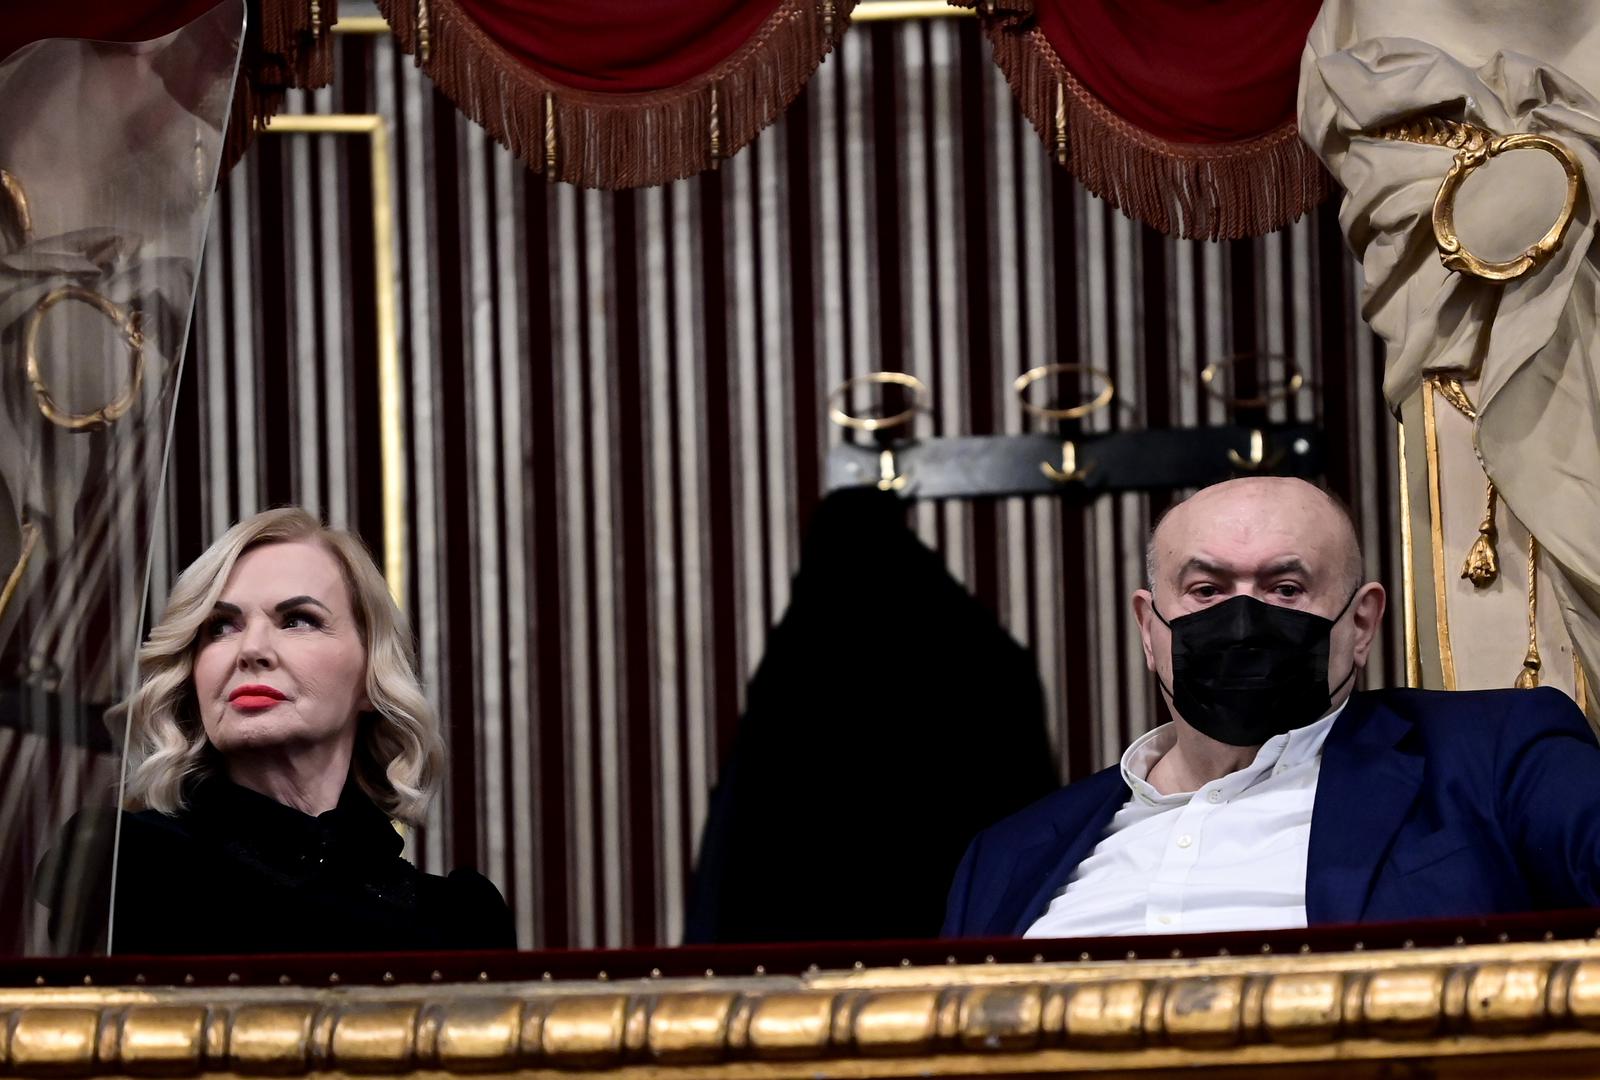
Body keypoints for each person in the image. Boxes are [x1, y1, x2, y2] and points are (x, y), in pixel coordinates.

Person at [943, 476, 1600, 939]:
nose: (1242, 621)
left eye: (1285, 588)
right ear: (1148, 628)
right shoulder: (1006, 856)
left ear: (1362, 623)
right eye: (1206, 589)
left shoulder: (1494, 757)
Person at [43, 507, 514, 954]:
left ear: (371, 675)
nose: (251, 650)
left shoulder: (460, 917)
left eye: (297, 620)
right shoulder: (128, 861)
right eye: (221, 627)